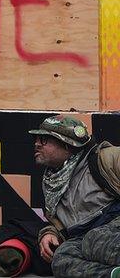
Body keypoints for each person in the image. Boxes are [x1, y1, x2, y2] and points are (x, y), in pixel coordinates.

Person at [29, 115, 120, 277]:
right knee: (61, 256)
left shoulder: (106, 158)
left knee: (93, 239)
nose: (36, 144)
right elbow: (61, 222)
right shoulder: (52, 183)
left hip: (112, 226)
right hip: (85, 236)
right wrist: (50, 233)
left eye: (44, 140)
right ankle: (112, 274)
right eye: (36, 139)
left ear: (67, 145)